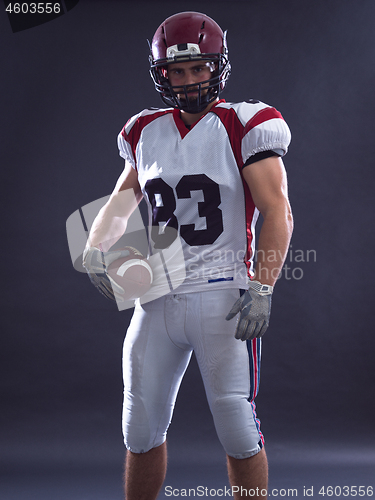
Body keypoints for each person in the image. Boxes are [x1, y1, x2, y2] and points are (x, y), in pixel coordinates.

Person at [83, 11, 293, 499]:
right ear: (162, 75)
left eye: (198, 68)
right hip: (155, 295)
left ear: (216, 67)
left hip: (223, 296)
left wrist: (263, 286)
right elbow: (122, 200)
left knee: (239, 432)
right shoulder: (144, 130)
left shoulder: (245, 123)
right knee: (138, 429)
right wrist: (96, 248)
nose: (189, 79)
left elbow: (277, 211)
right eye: (177, 71)